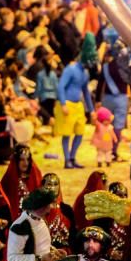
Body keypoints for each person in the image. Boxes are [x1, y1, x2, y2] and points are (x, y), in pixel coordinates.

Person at [55, 35, 97, 168]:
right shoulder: (70, 69)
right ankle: (67, 159)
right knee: (67, 134)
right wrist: (63, 103)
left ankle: (72, 157)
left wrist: (91, 110)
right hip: (67, 103)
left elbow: (86, 92)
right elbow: (61, 86)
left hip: (78, 105)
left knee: (80, 132)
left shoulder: (85, 73)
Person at [0, 145, 43, 221]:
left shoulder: (35, 175)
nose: (25, 163)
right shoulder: (9, 178)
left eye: (28, 159)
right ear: (16, 161)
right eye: (22, 160)